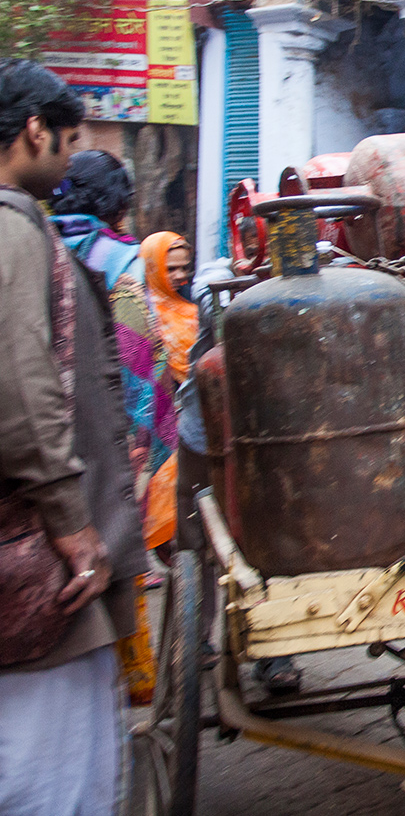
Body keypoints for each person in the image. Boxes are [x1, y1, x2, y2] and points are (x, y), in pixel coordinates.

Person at [0, 59, 145, 814]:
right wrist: (72, 521)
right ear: (34, 131)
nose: (66, 152)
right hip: (38, 561)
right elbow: (21, 389)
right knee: (50, 773)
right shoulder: (15, 231)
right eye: (67, 137)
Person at [51, 151, 179, 545]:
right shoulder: (124, 261)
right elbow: (140, 360)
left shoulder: (34, 241)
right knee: (111, 542)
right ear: (118, 203)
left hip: (41, 429)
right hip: (104, 431)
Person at [138, 231, 197, 552]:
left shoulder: (191, 311)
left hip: (190, 421)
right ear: (151, 268)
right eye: (170, 268)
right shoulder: (140, 317)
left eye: (184, 268)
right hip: (157, 426)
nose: (179, 276)